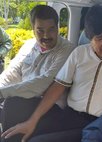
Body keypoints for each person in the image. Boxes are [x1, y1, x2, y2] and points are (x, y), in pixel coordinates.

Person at [1, 4, 102, 142]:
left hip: (101, 124)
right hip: (68, 116)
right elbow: (58, 86)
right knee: (19, 128)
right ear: (90, 38)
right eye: (99, 38)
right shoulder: (79, 53)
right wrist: (32, 121)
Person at [0, 4, 74, 141]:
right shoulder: (29, 46)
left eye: (51, 29)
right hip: (24, 100)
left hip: (50, 108)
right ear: (33, 29)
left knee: (12, 104)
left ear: (57, 28)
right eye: (40, 30)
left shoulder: (67, 50)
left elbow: (43, 83)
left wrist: (3, 93)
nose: (46, 35)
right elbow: (13, 72)